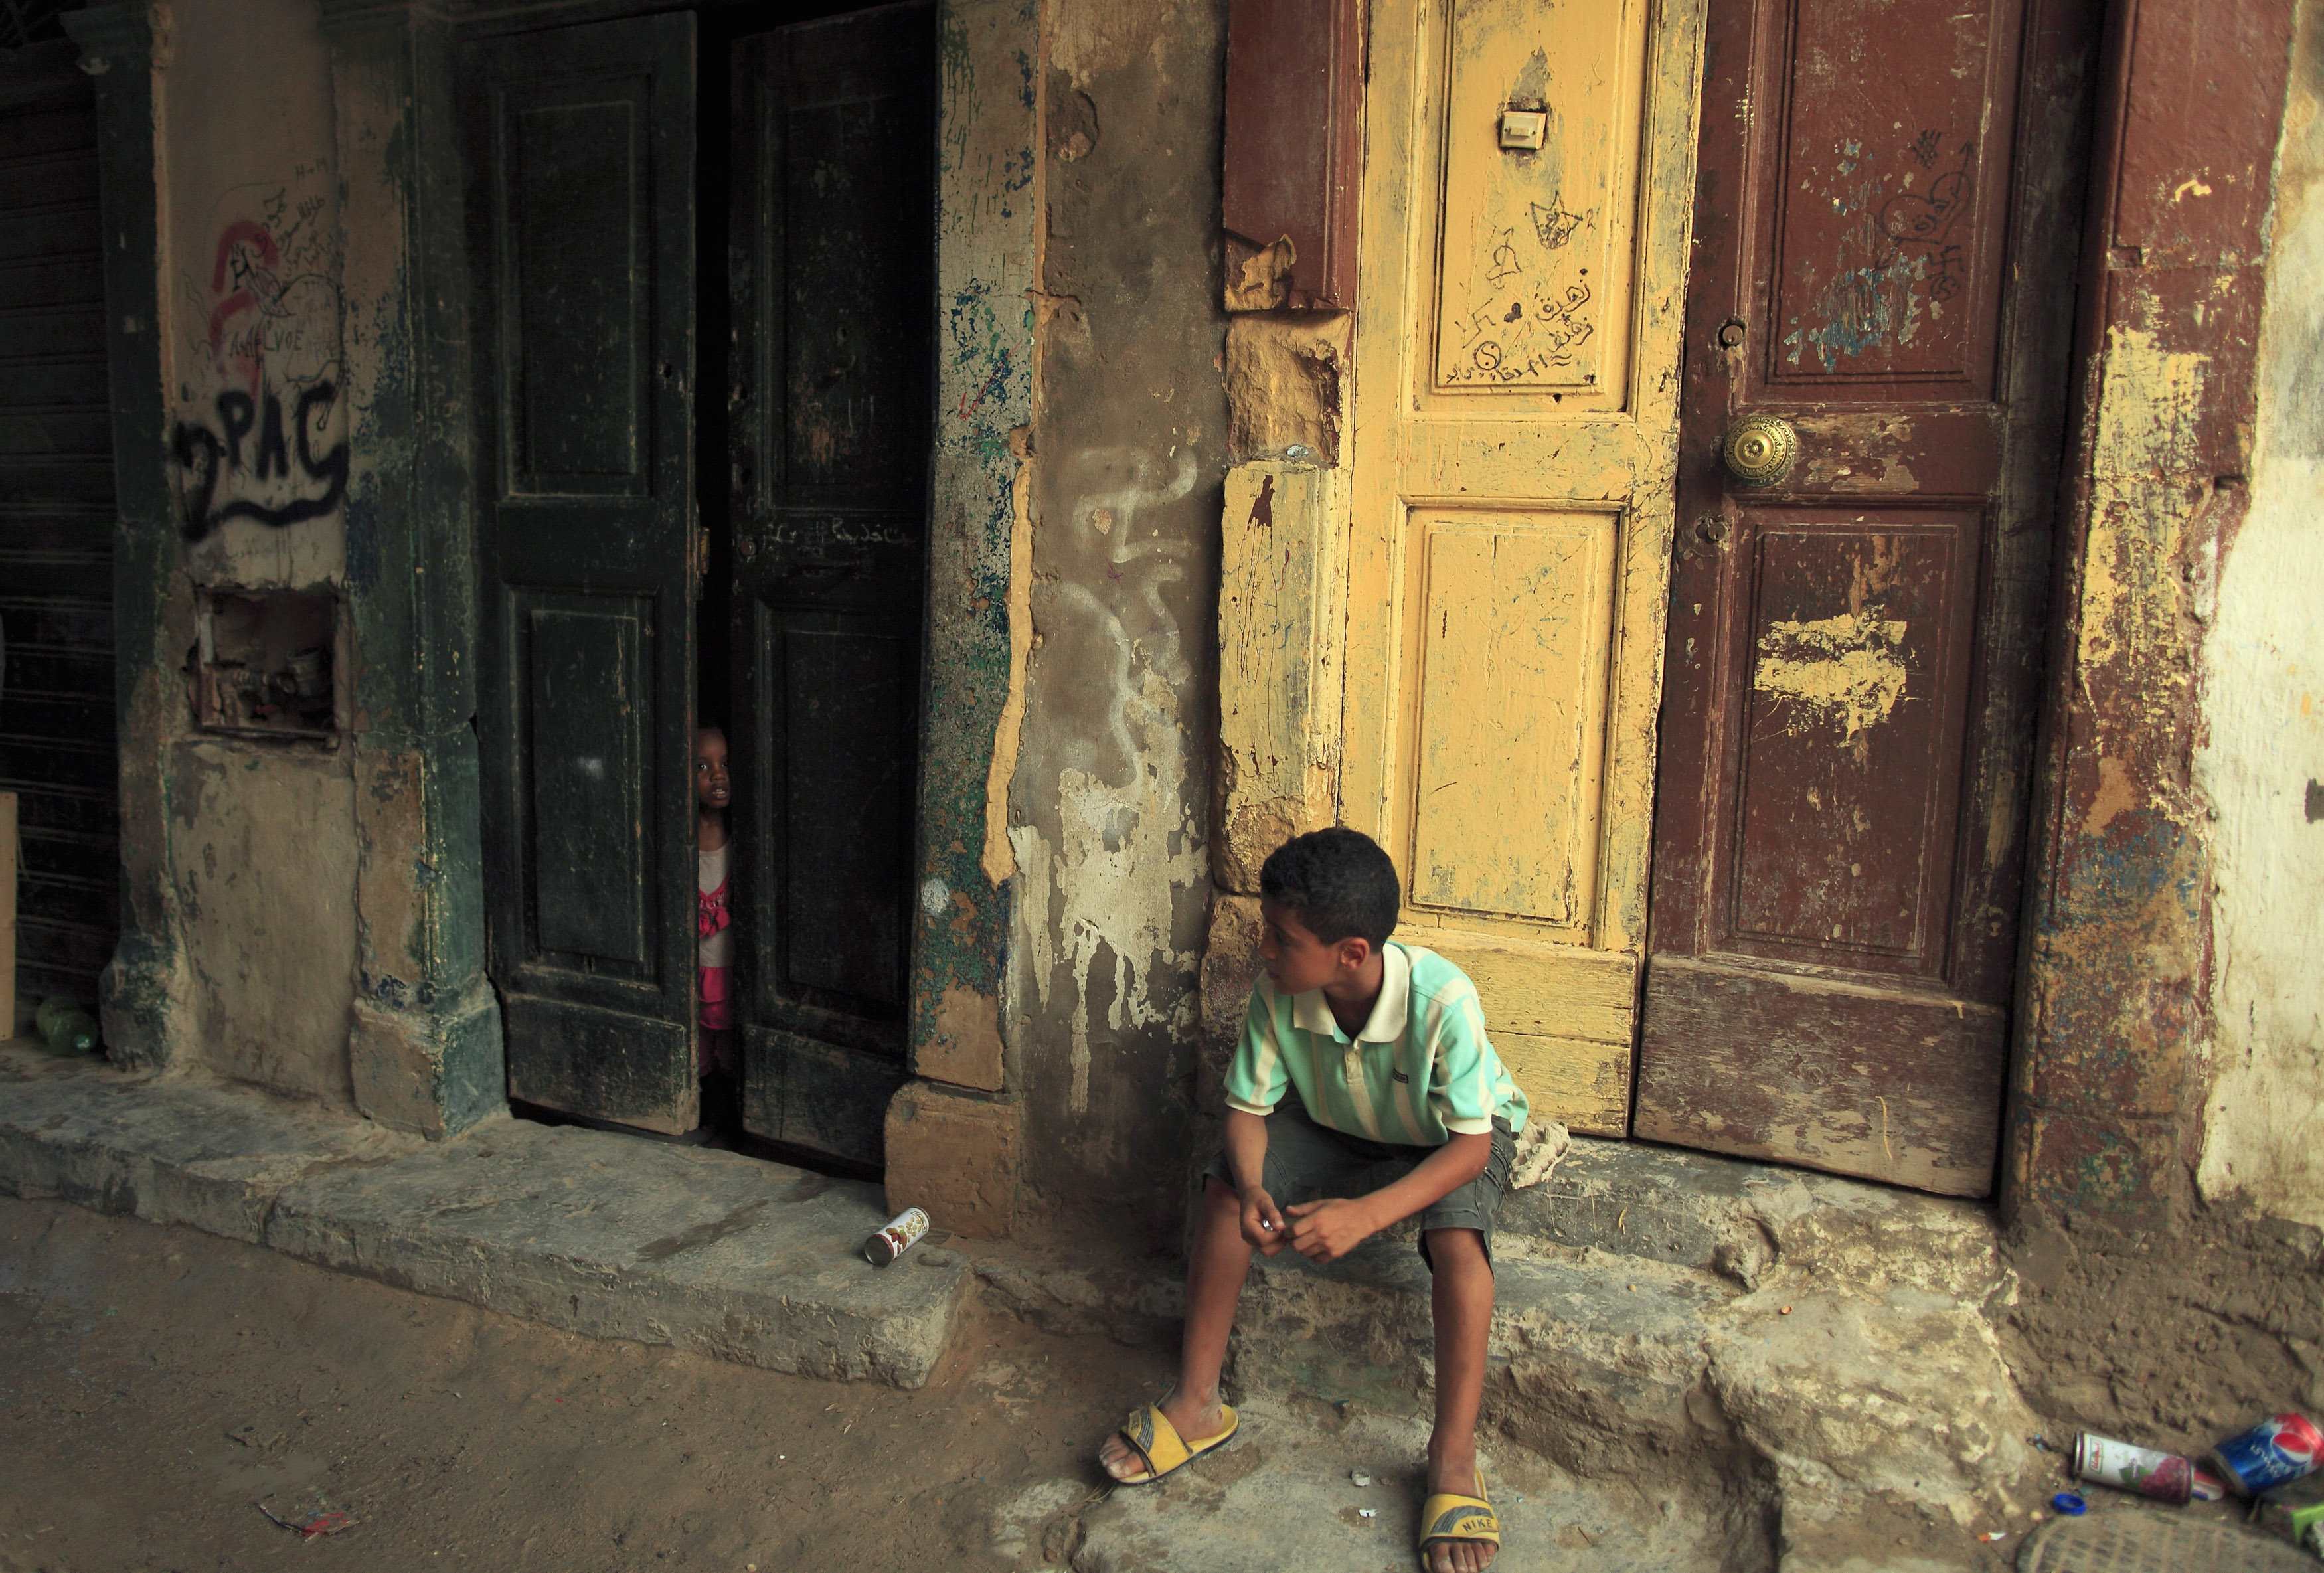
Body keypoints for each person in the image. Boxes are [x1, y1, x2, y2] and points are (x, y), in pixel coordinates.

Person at [1095, 827, 1528, 1573]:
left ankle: (1453, 1456)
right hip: (1337, 1124)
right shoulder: (1278, 992)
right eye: (1267, 929)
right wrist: (1254, 1186)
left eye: (1281, 937)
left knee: (1456, 1239)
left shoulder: (1442, 999)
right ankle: (1197, 1402)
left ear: (1350, 953)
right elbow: (1246, 1112)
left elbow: (1471, 1148)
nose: (1262, 947)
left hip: (1445, 1139)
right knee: (1224, 1185)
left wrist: (1368, 1213)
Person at [694, 726, 740, 1133]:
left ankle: (727, 1116)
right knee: (699, 1047)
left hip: (729, 969)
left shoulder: (743, 839)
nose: (718, 774)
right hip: (696, 971)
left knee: (728, 1045)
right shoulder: (680, 843)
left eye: (725, 763)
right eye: (703, 767)